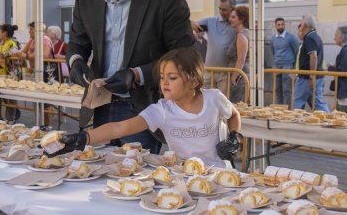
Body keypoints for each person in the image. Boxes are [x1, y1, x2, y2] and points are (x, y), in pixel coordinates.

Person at [66, 0, 195, 154]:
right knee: (96, 175)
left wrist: (137, 74)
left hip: (142, 108)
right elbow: (78, 41)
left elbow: (185, 55)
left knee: (135, 181)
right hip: (98, 104)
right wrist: (76, 61)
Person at [51, 48, 242, 168]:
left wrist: (235, 136)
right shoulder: (162, 110)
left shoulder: (214, 98)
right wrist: (83, 138)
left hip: (218, 171)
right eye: (161, 77)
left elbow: (234, 115)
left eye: (172, 78)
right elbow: (119, 127)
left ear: (193, 81)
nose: (164, 82)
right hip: (182, 174)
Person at [191, 0, 236, 96]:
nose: (221, 12)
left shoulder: (236, 24)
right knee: (206, 102)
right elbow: (192, 24)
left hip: (226, 73)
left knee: (223, 106)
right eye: (220, 9)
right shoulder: (210, 21)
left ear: (233, 9)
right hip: (209, 71)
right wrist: (193, 25)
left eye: (224, 9)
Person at [293, 14, 330, 112]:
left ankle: (295, 123)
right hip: (313, 77)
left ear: (304, 25)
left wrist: (311, 76)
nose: (299, 27)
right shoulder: (315, 36)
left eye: (300, 24)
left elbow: (313, 56)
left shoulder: (309, 38)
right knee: (317, 102)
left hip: (306, 78)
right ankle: (328, 117)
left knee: (298, 102)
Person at [0, 24, 21, 122]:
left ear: (5, 33)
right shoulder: (1, 43)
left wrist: (0, 54)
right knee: (5, 97)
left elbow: (14, 53)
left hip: (11, 74)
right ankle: (13, 114)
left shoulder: (13, 43)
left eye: (0, 31)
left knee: (11, 97)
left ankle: (11, 119)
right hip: (2, 74)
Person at [271, 17, 300, 106]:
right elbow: (273, 51)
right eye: (278, 25)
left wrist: (294, 67)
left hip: (288, 66)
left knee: (287, 90)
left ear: (285, 25)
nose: (281, 26)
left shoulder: (290, 37)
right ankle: (278, 108)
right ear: (275, 26)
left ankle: (288, 109)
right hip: (277, 66)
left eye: (282, 24)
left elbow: (297, 51)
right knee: (277, 89)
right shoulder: (273, 39)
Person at [227, 6, 250, 103]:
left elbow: (241, 59)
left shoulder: (241, 35)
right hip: (241, 75)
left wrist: (233, 77)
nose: (230, 19)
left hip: (239, 77)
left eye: (233, 17)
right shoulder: (246, 33)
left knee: (237, 104)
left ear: (241, 19)